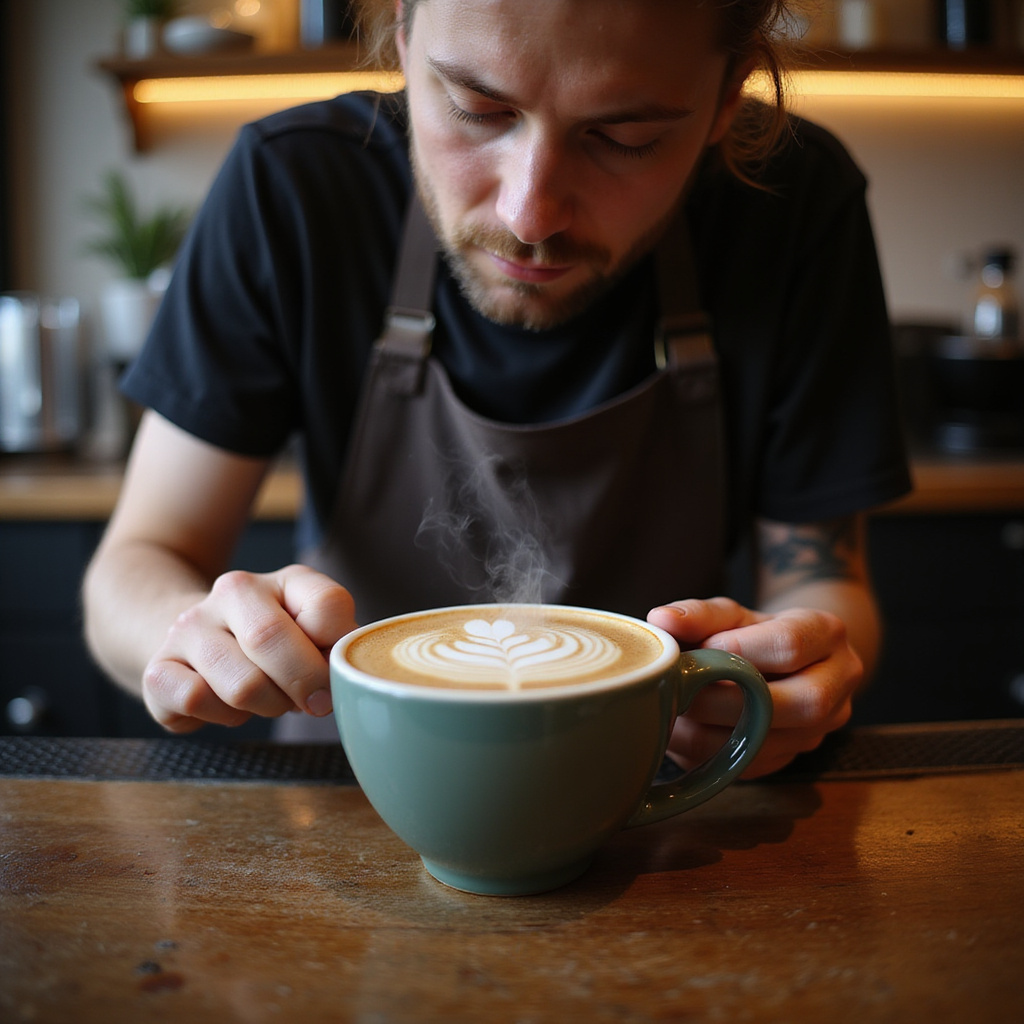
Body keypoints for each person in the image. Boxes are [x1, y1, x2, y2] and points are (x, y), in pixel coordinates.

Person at [82, 0, 912, 776]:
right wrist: (202, 638)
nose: (530, 214)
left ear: (727, 100)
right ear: (402, 37)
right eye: (477, 111)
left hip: (657, 801)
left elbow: (824, 579)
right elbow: (139, 563)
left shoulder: (795, 206)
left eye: (624, 137)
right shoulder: (293, 189)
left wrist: (791, 671)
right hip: (350, 796)